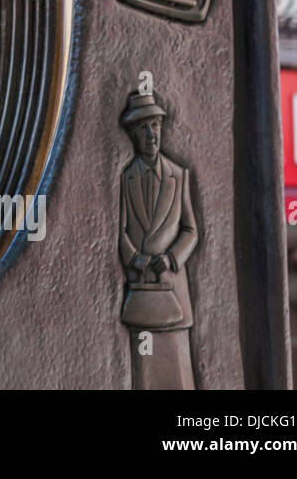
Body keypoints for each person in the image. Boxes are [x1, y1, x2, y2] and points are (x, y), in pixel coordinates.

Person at [117, 90, 197, 389]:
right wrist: (134, 258)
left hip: (172, 288)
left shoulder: (179, 175)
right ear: (134, 135)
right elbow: (123, 230)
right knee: (146, 367)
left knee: (177, 364)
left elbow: (190, 230)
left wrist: (172, 258)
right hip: (142, 289)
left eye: (156, 126)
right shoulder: (127, 178)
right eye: (144, 128)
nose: (152, 134)